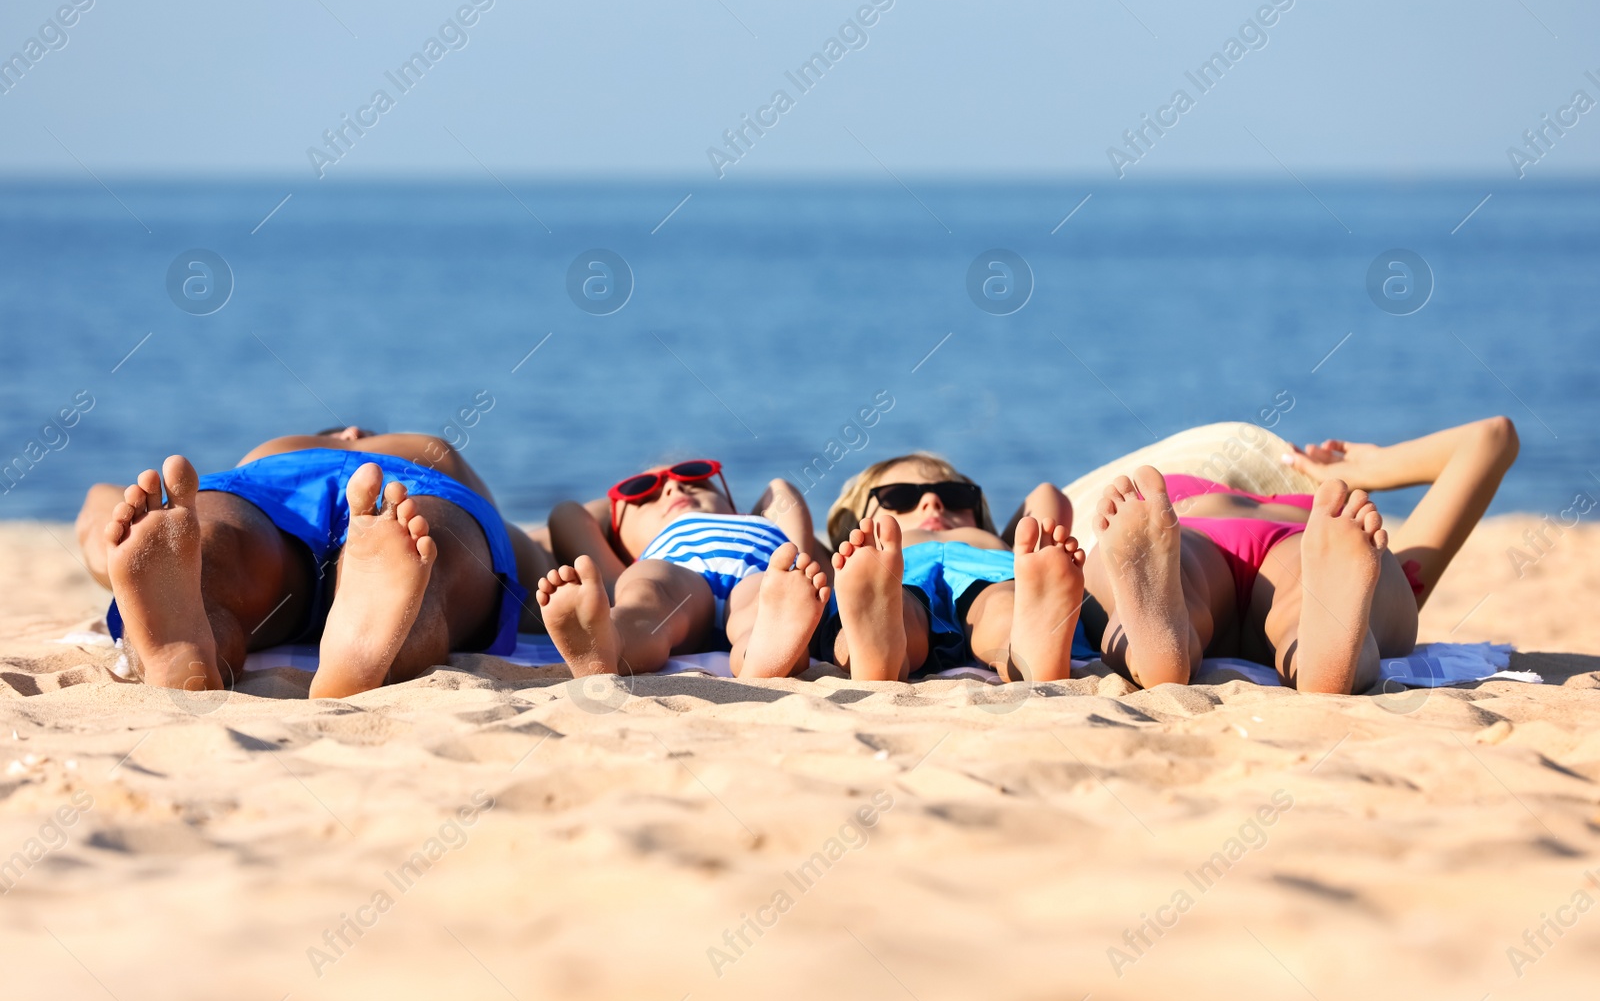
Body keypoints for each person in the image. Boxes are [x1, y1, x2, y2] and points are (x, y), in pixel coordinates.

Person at [74, 427, 546, 698]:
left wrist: (111, 532)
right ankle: (374, 653)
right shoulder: (429, 448)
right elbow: (533, 565)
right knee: (429, 561)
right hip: (418, 487)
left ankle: (195, 642)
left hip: (266, 486)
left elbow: (98, 501)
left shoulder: (281, 445)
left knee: (219, 552)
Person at [1081, 416, 1520, 693]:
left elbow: (1493, 436)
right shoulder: (1341, 529)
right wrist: (1369, 471)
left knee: (1167, 579)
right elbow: (1493, 437)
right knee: (1311, 602)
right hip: (1297, 545)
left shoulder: (1154, 507)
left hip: (1186, 537)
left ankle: (1157, 650)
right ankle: (1323, 654)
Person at [534, 460, 831, 678]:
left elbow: (779, 490)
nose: (673, 486)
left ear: (729, 501)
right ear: (619, 544)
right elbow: (568, 515)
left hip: (765, 580)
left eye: (694, 477)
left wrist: (631, 504)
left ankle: (763, 652)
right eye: (642, 493)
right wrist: (614, 518)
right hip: (676, 574)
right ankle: (608, 644)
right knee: (646, 597)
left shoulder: (759, 522)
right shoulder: (641, 560)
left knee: (762, 610)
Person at [822, 453, 1091, 682]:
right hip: (891, 576)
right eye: (899, 497)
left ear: (979, 518)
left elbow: (1047, 495)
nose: (932, 501)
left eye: (955, 496)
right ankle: (879, 654)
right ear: (855, 523)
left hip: (989, 570)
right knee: (893, 608)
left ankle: (1026, 651)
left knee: (1003, 604)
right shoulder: (860, 560)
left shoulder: (998, 542)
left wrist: (1026, 540)